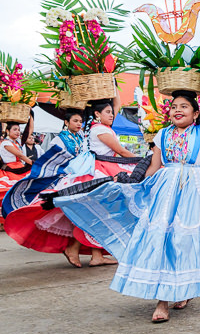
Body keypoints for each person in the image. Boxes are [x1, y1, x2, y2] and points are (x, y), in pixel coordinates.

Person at [55, 87, 200, 323]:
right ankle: (163, 301)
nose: (177, 110)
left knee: (186, 241)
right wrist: (131, 186)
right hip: (166, 191)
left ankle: (185, 289)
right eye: (174, 107)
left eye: (184, 107)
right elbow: (152, 167)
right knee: (162, 240)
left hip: (193, 193)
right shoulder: (162, 135)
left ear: (195, 112)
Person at [3, 109, 116, 267]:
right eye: (75, 121)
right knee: (87, 212)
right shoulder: (60, 140)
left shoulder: (82, 137)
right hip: (69, 180)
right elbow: (55, 161)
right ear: (66, 122)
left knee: (90, 212)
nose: (78, 124)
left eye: (80, 121)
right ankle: (81, 250)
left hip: (84, 177)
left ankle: (91, 253)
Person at [87, 96, 139, 177]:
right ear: (97, 114)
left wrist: (115, 86)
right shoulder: (100, 129)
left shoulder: (100, 127)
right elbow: (121, 151)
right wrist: (140, 161)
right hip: (102, 166)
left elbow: (117, 105)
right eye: (108, 112)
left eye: (112, 112)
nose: (111, 115)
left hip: (104, 164)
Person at [0, 117, 34, 222]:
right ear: (7, 131)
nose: (18, 132)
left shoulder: (17, 142)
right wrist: (35, 164)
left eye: (19, 130)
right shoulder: (6, 143)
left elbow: (30, 131)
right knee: (10, 192)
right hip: (11, 170)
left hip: (20, 168)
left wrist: (31, 116)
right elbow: (21, 156)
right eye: (15, 129)